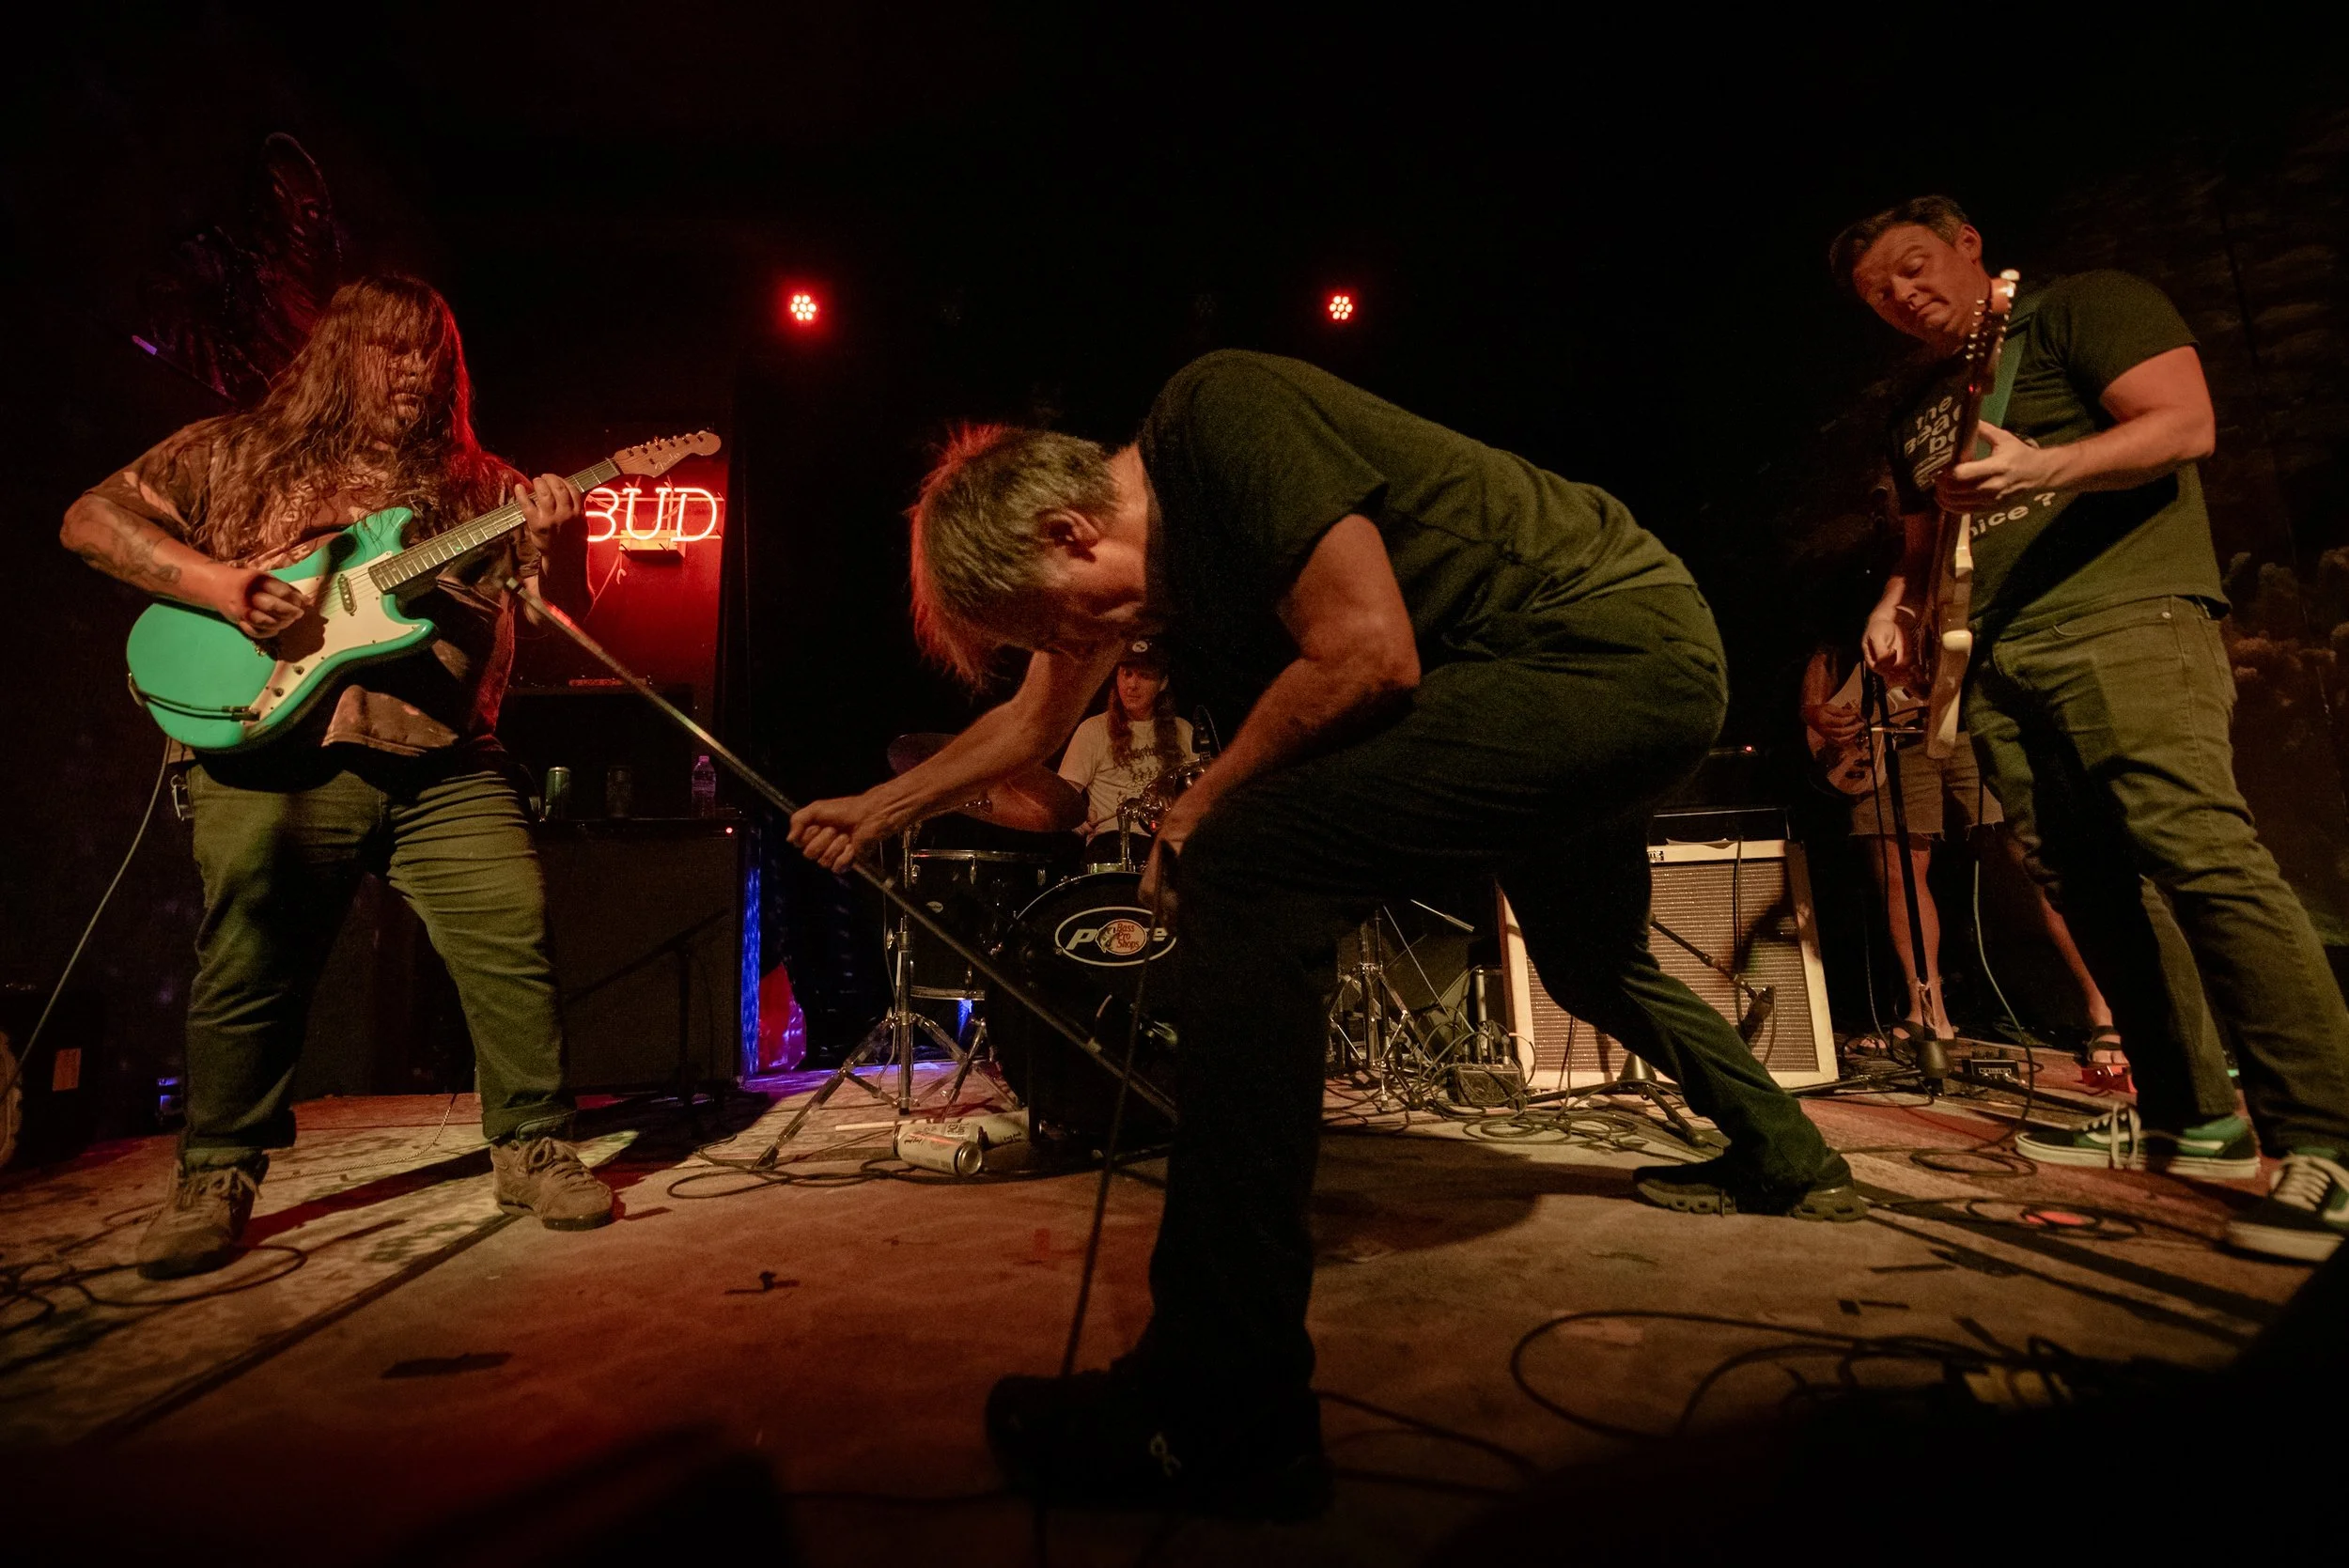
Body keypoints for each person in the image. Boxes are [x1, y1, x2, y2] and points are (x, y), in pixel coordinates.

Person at [787, 349, 1860, 1515]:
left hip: (1598, 656)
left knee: (1245, 863)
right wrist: (879, 807)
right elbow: (1033, 720)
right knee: (1592, 963)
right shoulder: (1121, 565)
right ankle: (1783, 1153)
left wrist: (1202, 806)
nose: (1080, 647)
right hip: (1561, 689)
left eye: (1051, 617)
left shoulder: (1221, 416)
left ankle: (1220, 1411)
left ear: (1066, 531)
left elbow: (1365, 650)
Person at [60, 275, 614, 1281]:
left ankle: (531, 1142)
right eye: (391, 350)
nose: (413, 372)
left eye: (430, 355)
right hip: (270, 747)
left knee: (510, 923)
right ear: (339, 352)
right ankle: (217, 1171)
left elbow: (521, 623)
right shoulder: (233, 451)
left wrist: (534, 544)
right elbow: (90, 522)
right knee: (250, 957)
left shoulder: (480, 484)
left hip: (441, 753)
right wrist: (222, 587)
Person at [1836, 195, 2349, 1259]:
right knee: (2086, 884)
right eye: (1880, 293)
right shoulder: (1919, 406)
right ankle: (2190, 1117)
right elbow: (1924, 540)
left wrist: (2041, 466)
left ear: (1970, 244)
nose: (1904, 296)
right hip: (1991, 654)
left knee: (2200, 853)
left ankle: (2330, 1140)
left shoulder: (2081, 310)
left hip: (2121, 615)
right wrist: (1897, 602)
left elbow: (2183, 427)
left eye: (1916, 266)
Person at [1800, 644, 2122, 1063]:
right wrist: (1813, 708)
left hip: (1977, 722)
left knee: (2038, 861)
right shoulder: (1843, 586)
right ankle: (1928, 1014)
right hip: (1893, 739)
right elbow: (1826, 649)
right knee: (1900, 871)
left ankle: (2107, 1011)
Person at [1054, 636, 1196, 865]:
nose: (1132, 684)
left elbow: (1203, 795)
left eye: (1144, 676)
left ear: (1162, 683)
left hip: (1168, 843)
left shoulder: (1183, 730)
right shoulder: (1093, 730)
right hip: (1112, 844)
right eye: (1127, 673)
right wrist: (1075, 819)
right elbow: (1060, 798)